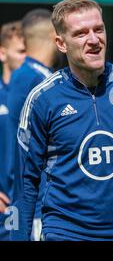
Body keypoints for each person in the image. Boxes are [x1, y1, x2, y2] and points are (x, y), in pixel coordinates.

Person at [13, 0, 113, 241]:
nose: (94, 40)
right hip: (64, 233)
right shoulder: (43, 98)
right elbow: (25, 184)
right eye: (81, 33)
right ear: (61, 43)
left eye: (99, 29)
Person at [7, 9, 58, 241]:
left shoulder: (40, 76)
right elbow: (18, 144)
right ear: (54, 35)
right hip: (39, 210)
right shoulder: (32, 79)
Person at [0, 21, 26, 240]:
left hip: (28, 206)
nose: (26, 58)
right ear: (2, 53)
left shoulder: (38, 97)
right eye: (21, 51)